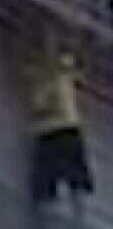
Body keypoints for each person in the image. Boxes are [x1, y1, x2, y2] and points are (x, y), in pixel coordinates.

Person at [29, 51, 94, 209]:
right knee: (77, 180)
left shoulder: (47, 80)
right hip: (72, 129)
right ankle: (78, 208)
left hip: (50, 132)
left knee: (45, 182)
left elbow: (39, 106)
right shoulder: (67, 76)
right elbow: (80, 76)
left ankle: (47, 205)